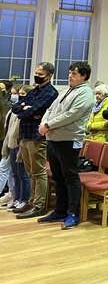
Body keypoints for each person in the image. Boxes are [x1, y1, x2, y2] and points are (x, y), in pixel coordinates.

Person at [36, 62, 95, 228]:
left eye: (74, 73)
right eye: (70, 73)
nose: (70, 76)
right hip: (53, 139)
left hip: (69, 140)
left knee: (70, 177)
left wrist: (48, 126)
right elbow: (51, 109)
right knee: (58, 177)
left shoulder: (85, 93)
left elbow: (71, 115)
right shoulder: (67, 90)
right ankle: (59, 211)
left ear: (84, 76)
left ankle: (73, 213)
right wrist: (44, 122)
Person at [12, 62, 58, 219]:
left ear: (49, 75)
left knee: (39, 172)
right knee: (29, 172)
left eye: (40, 74)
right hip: (25, 134)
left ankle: (39, 205)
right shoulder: (35, 90)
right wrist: (25, 108)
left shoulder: (51, 93)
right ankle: (31, 201)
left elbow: (36, 109)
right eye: (36, 73)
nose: (37, 76)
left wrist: (27, 109)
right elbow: (16, 107)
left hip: (38, 136)